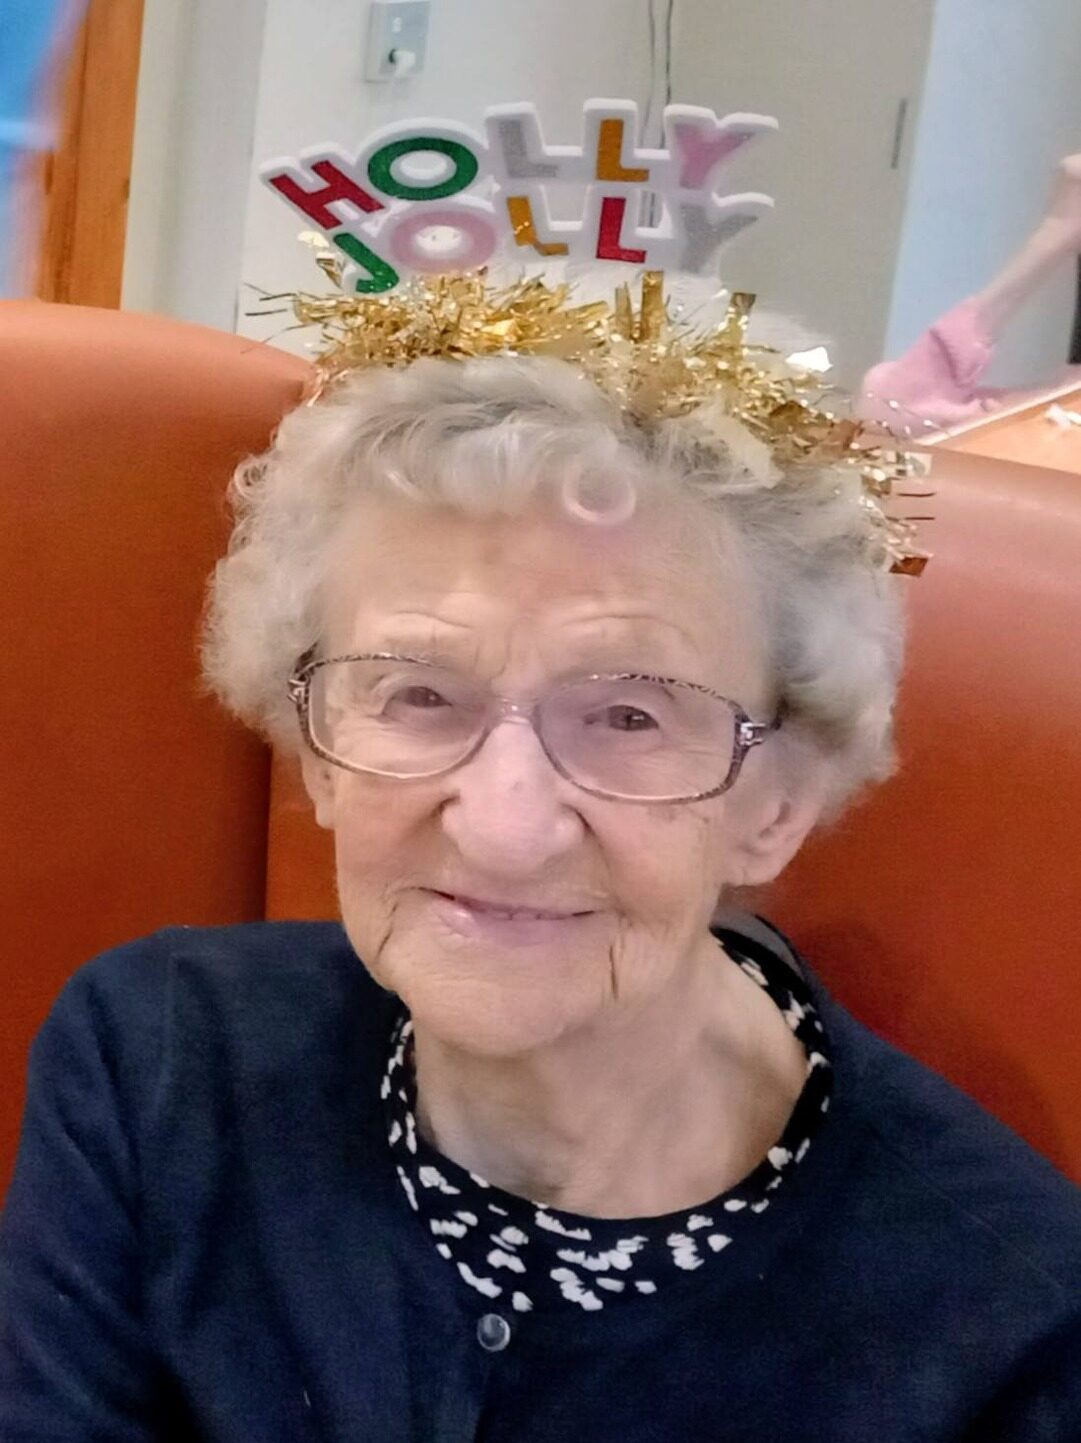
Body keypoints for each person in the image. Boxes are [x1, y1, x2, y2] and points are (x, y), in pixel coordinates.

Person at [2, 289, 1080, 1441]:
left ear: (775, 802)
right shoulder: (160, 1063)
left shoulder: (1006, 1325)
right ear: (313, 752)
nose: (503, 825)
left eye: (626, 716)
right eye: (417, 696)